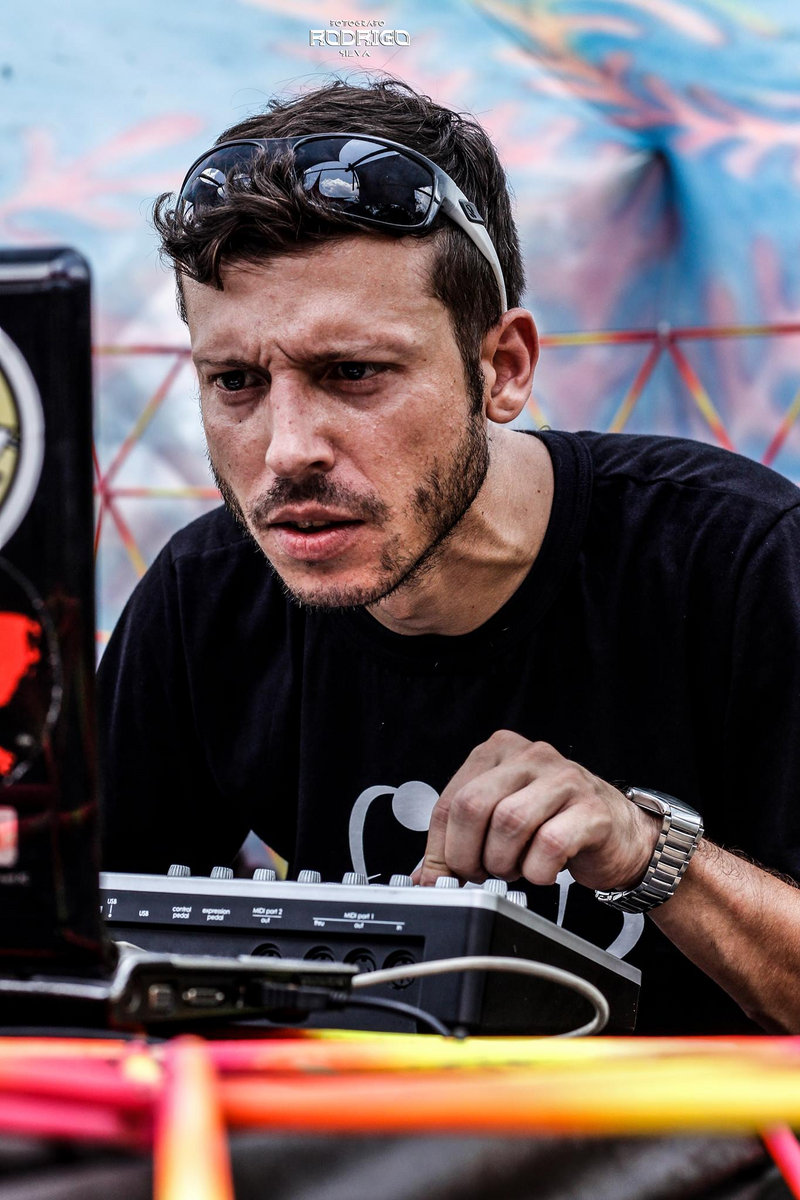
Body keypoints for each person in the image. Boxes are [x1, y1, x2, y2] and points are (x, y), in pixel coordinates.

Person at [97, 77, 800, 1036]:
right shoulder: (204, 598)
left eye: (353, 372)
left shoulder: (735, 560)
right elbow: (75, 977)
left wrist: (648, 853)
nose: (288, 447)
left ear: (502, 368)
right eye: (235, 381)